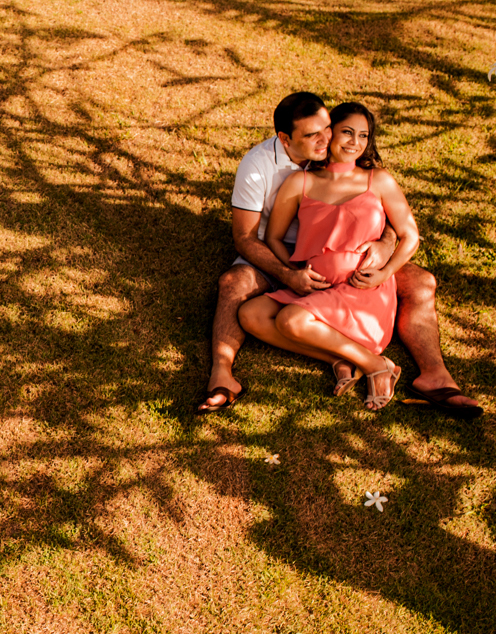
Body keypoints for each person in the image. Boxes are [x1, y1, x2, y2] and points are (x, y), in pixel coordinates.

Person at [195, 92, 482, 418]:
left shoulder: (374, 177)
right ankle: (233, 372)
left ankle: (434, 375)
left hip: (361, 279)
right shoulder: (267, 168)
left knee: (421, 281)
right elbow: (247, 238)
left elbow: (401, 228)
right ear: (286, 139)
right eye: (319, 135)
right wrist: (290, 271)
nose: (325, 139)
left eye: (327, 131)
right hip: (306, 268)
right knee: (243, 300)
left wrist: (386, 252)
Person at [238, 102, 413, 410]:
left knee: (291, 320)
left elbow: (410, 235)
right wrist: (293, 272)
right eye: (347, 132)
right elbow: (274, 237)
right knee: (249, 315)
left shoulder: (378, 180)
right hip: (316, 287)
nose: (354, 142)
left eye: (363, 135)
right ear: (330, 133)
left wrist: (385, 272)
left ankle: (376, 366)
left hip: (362, 292)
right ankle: (343, 357)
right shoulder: (300, 183)